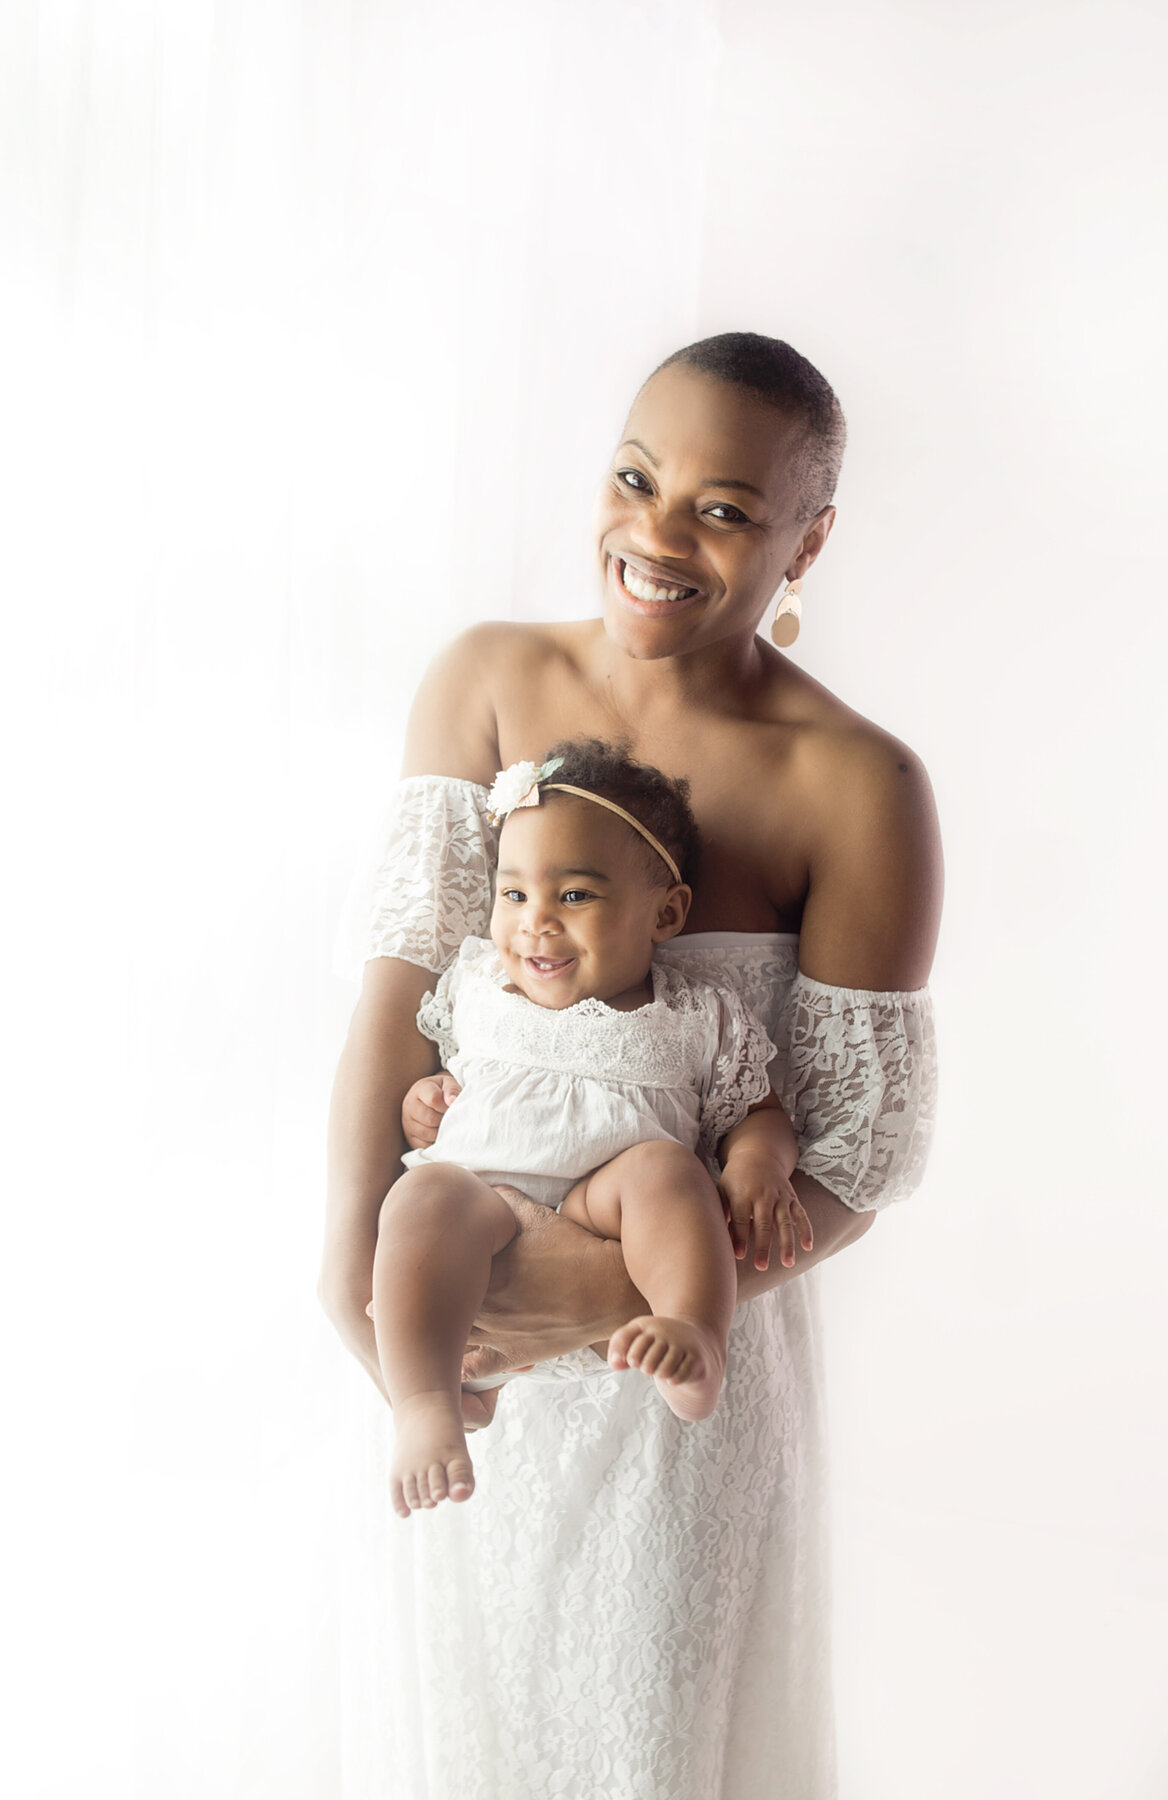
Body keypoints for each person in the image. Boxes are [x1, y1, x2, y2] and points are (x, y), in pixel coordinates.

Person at [320, 330, 942, 1800]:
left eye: (725, 509)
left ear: (811, 538)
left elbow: (853, 1152)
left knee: (645, 1741)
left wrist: (602, 1302)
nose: (657, 537)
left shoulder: (860, 787)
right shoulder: (485, 681)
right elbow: (400, 1002)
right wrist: (349, 1274)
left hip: (687, 1369)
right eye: (635, 479)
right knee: (452, 1740)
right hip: (449, 1344)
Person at [373, 737, 810, 1517]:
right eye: (514, 896)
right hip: (483, 1210)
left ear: (666, 913)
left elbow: (759, 1112)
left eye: (573, 897)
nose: (535, 923)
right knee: (421, 1198)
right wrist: (427, 1103)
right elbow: (440, 1088)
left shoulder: (694, 1017)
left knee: (669, 1176)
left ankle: (695, 1339)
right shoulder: (479, 988)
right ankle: (425, 1402)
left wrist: (756, 1166)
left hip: (600, 1212)